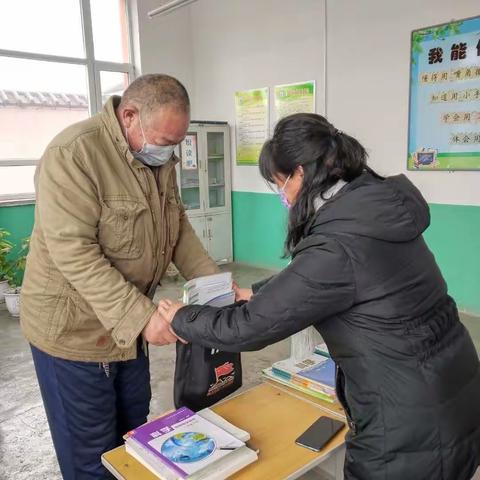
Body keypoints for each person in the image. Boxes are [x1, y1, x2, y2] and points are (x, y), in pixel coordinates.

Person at [157, 113, 480, 480]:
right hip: (454, 389)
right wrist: (255, 292)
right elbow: (331, 281)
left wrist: (183, 316)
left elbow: (249, 328)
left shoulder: (339, 243)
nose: (283, 196)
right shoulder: (373, 210)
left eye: (281, 183)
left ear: (300, 174)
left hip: (405, 427)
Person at [20, 74, 220, 479]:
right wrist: (144, 318)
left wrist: (214, 287)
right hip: (72, 335)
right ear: (129, 116)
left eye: (175, 144)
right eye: (164, 143)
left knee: (134, 436)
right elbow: (74, 253)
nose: (169, 153)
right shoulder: (74, 154)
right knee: (91, 454)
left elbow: (177, 229)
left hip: (125, 333)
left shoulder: (154, 158)